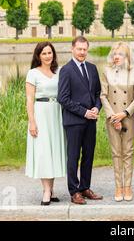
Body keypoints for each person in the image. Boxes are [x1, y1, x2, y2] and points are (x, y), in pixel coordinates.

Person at [57, 36, 103, 205]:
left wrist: (97, 108)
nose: (82, 52)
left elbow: (98, 93)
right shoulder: (66, 70)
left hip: (91, 120)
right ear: (72, 49)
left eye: (85, 49)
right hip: (74, 121)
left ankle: (85, 187)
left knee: (88, 156)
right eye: (79, 49)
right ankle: (74, 191)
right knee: (73, 156)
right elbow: (63, 98)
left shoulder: (92, 68)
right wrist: (84, 112)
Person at [25, 42, 66, 206]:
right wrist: (32, 121)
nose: (48, 56)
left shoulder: (59, 72)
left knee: (53, 151)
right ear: (38, 56)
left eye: (50, 53)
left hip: (56, 113)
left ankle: (52, 188)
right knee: (43, 152)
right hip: (41, 113)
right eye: (44, 53)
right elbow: (29, 99)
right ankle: (46, 190)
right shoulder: (32, 73)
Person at [100, 42, 134, 202]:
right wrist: (112, 116)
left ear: (127, 56)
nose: (117, 57)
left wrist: (124, 113)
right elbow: (103, 95)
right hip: (112, 118)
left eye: (121, 54)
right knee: (116, 153)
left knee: (128, 152)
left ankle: (128, 186)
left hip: (128, 117)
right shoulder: (106, 71)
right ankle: (118, 187)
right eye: (115, 54)